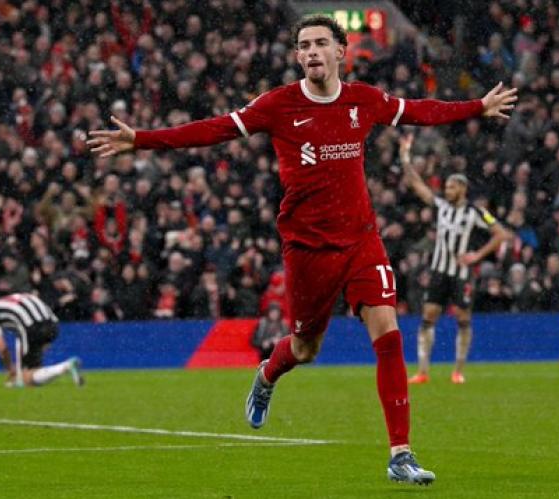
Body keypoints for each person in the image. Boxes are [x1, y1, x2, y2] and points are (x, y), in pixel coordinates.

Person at [87, 15, 517, 485]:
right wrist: (142, 140)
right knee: (306, 347)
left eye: (319, 44)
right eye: (303, 46)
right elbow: (213, 130)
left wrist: (477, 107)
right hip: (308, 247)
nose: (311, 52)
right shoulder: (278, 106)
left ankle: (400, 454)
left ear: (340, 51)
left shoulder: (363, 100)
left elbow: (420, 110)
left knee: (389, 335)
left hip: (360, 239)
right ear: (298, 56)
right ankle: (268, 374)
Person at [398, 133, 512, 385]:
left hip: (462, 274)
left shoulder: (476, 212)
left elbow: (502, 234)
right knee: (428, 317)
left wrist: (476, 256)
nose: (446, 190)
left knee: (463, 319)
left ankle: (458, 370)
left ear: (461, 189)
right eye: (447, 186)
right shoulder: (441, 206)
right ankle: (423, 371)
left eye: (451, 186)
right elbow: (417, 185)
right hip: (439, 271)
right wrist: (404, 157)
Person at [0, 292, 85, 388]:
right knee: (33, 371)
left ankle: (66, 366)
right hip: (53, 325)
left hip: (31, 328)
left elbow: (2, 347)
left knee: (26, 378)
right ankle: (22, 379)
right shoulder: (18, 297)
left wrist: (10, 369)